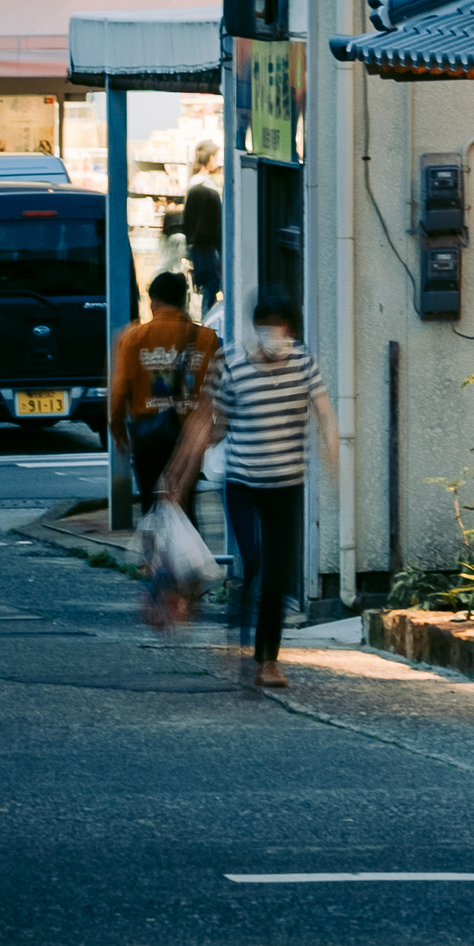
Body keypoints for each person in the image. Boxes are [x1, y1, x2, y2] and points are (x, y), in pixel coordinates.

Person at [166, 293, 337, 690]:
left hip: (287, 485)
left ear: (291, 330)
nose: (274, 334)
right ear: (257, 326)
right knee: (253, 562)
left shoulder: (304, 363)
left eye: (282, 327)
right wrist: (179, 472)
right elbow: (207, 422)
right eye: (267, 325)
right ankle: (239, 631)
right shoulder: (231, 363)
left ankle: (266, 661)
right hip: (242, 484)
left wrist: (332, 455)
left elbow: (325, 412)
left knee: (277, 575)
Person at [109, 270, 217, 513]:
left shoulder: (133, 338)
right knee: (185, 505)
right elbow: (215, 389)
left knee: (151, 506)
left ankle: (155, 550)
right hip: (190, 435)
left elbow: (120, 390)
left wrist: (118, 431)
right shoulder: (206, 339)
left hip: (148, 433)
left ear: (153, 300)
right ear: (184, 301)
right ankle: (187, 549)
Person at [181, 144, 223, 320]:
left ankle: (201, 320)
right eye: (216, 156)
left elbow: (187, 219)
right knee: (211, 288)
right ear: (210, 158)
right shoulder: (210, 190)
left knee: (201, 286)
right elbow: (217, 222)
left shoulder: (192, 186)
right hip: (209, 246)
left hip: (196, 245)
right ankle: (208, 322)